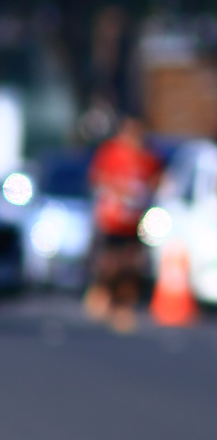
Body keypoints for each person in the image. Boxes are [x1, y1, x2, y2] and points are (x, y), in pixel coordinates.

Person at [84, 115, 163, 332]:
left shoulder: (148, 156)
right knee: (108, 264)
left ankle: (123, 306)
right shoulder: (111, 152)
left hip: (134, 222)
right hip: (112, 220)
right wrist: (113, 194)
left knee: (131, 266)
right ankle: (102, 295)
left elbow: (156, 181)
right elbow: (97, 178)